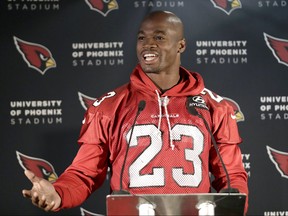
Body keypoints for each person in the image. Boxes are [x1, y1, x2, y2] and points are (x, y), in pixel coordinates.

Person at [22, 10, 249, 214]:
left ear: (181, 45)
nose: (148, 44)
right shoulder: (108, 107)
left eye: (159, 37)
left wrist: (234, 206)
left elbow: (231, 176)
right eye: (142, 38)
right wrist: (59, 193)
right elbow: (84, 174)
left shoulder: (214, 106)